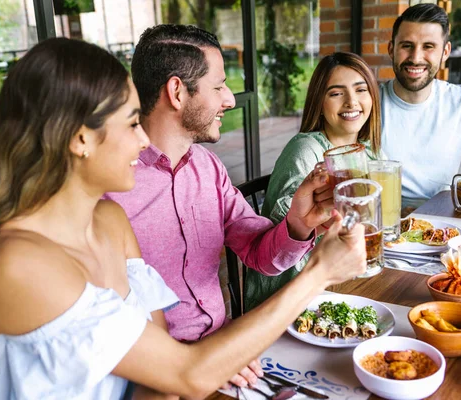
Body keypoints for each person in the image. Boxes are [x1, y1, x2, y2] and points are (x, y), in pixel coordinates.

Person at [0, 38, 367, 399]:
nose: (141, 142)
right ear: (80, 139)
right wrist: (321, 273)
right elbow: (180, 374)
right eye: (133, 123)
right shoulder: (16, 264)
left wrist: (298, 225)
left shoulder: (111, 219)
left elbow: (159, 381)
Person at [105, 25, 333, 341]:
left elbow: (258, 253)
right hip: (157, 374)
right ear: (177, 92)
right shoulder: (108, 189)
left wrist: (298, 224)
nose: (229, 99)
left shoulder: (208, 167)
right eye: (218, 86)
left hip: (223, 348)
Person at [243, 52, 385, 312]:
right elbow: (286, 243)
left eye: (361, 90)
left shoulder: (368, 151)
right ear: (319, 101)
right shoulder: (305, 149)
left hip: (344, 280)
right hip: (293, 297)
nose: (351, 102)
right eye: (336, 93)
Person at [382, 3, 461, 211]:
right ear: (391, 49)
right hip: (384, 225)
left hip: (442, 225)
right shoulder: (367, 104)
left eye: (428, 47)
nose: (416, 58)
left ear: (445, 52)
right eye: (407, 45)